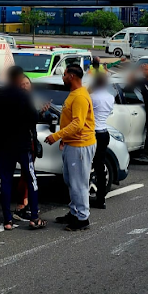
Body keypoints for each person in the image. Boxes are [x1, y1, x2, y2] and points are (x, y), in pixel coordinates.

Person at [0, 66, 47, 230]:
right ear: (19, 77)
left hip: (4, 144)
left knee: (5, 180)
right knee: (31, 178)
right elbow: (33, 118)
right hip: (22, 144)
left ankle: (7, 220)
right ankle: (34, 217)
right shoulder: (24, 96)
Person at [44, 65, 96, 231]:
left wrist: (57, 135)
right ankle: (74, 212)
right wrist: (64, 139)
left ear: (72, 76)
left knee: (79, 183)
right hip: (72, 144)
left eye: (64, 74)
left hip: (80, 145)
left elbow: (78, 124)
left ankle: (82, 218)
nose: (63, 76)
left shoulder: (80, 96)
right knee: (71, 181)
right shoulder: (74, 94)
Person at [12, 75, 52, 221]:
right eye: (21, 83)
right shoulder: (17, 101)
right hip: (21, 143)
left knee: (26, 173)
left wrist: (42, 112)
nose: (24, 86)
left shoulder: (32, 99)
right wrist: (38, 113)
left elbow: (40, 118)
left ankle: (25, 203)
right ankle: (22, 206)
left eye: (27, 83)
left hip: (29, 140)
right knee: (27, 174)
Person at [89, 73, 114, 209]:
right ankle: (101, 198)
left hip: (93, 132)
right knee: (100, 165)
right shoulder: (110, 97)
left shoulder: (91, 97)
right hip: (104, 131)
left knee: (88, 164)